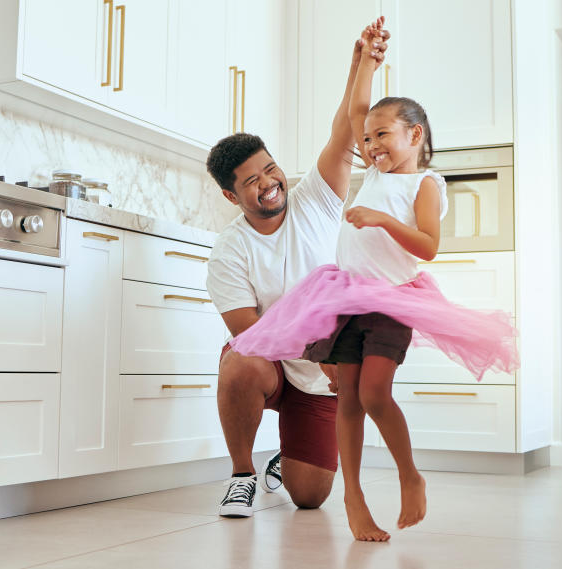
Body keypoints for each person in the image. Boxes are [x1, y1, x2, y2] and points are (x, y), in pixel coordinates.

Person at [229, 18, 519, 541]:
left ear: (415, 135)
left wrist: (382, 219)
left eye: (382, 135)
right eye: (367, 139)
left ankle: (410, 476)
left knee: (376, 394)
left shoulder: (425, 183)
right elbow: (354, 113)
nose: (371, 144)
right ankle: (355, 500)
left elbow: (428, 247)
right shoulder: (376, 171)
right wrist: (366, 60)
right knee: (348, 401)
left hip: (392, 301)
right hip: (344, 299)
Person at [205, 21, 391, 519]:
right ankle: (242, 474)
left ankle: (283, 463)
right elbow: (254, 335)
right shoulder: (230, 251)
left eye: (270, 169)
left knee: (309, 497)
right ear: (231, 195)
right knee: (239, 361)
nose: (269, 183)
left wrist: (363, 63)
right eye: (251, 181)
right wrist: (323, 352)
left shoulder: (317, 200)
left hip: (319, 378)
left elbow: (342, 132)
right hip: (272, 364)